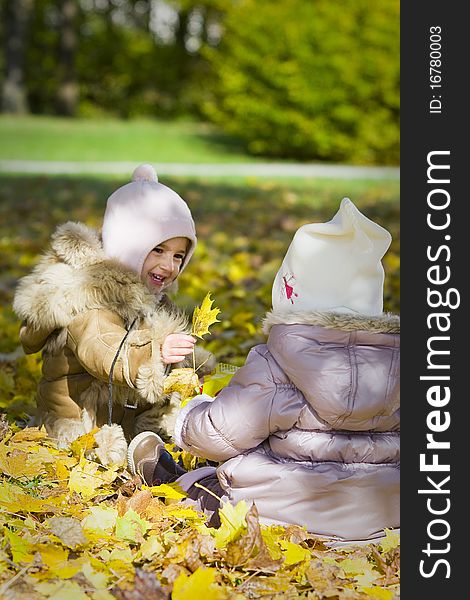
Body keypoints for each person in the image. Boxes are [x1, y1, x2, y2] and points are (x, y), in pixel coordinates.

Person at [127, 198, 400, 545]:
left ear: (292, 293)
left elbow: (216, 434)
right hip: (384, 519)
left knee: (204, 484)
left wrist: (191, 415)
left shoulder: (281, 361)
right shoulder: (399, 366)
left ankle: (158, 472)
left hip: (287, 519)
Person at [13, 164, 214, 466]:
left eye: (178, 256)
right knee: (113, 451)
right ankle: (157, 465)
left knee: (178, 418)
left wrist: (199, 366)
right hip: (82, 425)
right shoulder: (90, 296)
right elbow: (104, 349)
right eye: (158, 250)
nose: (170, 265)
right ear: (129, 246)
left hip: (127, 421)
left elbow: (173, 342)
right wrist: (155, 350)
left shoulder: (152, 298)